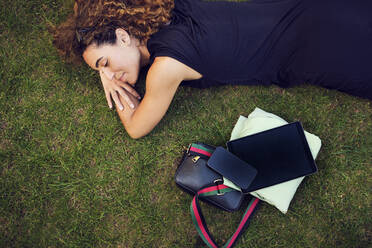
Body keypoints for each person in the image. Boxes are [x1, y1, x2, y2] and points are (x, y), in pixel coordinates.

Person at [53, 0, 372, 139]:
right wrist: (102, 63)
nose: (110, 75)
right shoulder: (160, 10)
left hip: (315, 47)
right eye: (102, 71)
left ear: (123, 36)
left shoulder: (166, 69)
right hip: (305, 8)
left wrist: (112, 87)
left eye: (105, 64)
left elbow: (137, 128)